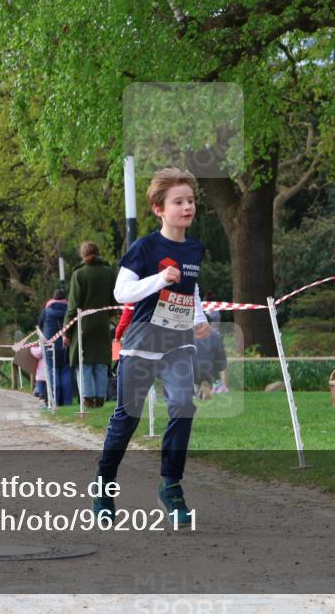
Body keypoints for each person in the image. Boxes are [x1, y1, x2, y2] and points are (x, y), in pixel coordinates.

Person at [92, 167, 209, 528]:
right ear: (159, 209)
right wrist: (159, 278)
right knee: (127, 418)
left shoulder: (194, 248)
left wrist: (199, 317)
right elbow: (121, 292)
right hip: (142, 343)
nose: (187, 207)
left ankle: (171, 486)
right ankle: (104, 486)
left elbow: (191, 289)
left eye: (190, 200)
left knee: (183, 405)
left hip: (178, 342)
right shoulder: (144, 247)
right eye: (178, 202)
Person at [65, 242, 116, 408]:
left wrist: (66, 331)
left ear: (83, 254)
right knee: (101, 362)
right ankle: (100, 399)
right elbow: (114, 301)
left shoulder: (79, 274)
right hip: (103, 324)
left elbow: (73, 306)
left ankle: (88, 399)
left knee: (84, 363)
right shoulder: (109, 272)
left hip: (83, 326)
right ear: (98, 252)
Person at [36, 289, 73, 407]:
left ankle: (54, 401)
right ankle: (67, 402)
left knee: (53, 371)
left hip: (49, 346)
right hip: (66, 345)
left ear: (53, 298)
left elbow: (39, 326)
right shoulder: (69, 311)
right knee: (66, 371)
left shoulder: (46, 311)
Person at [192, 312, 228, 399]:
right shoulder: (216, 337)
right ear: (210, 324)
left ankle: (196, 389)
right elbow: (222, 363)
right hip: (208, 370)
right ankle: (206, 385)